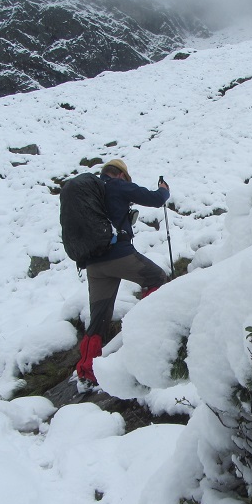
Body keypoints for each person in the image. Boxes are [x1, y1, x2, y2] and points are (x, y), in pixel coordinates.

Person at [75, 158, 170, 386]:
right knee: (157, 278)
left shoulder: (91, 195)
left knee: (99, 317)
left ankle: (87, 372)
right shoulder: (116, 185)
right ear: (120, 175)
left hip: (93, 265)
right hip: (118, 255)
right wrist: (164, 190)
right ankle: (151, 329)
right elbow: (156, 199)